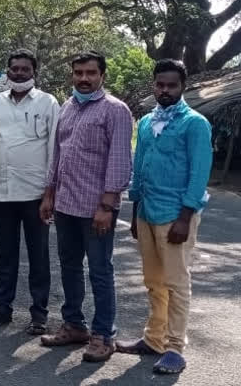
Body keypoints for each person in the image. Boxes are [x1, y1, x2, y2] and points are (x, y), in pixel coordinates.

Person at [117, 59, 212, 375]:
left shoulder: (195, 123)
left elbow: (199, 174)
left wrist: (185, 217)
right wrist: (135, 213)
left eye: (172, 85)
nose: (165, 90)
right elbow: (139, 168)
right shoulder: (145, 123)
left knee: (175, 283)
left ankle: (174, 348)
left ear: (182, 86)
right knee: (153, 282)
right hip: (147, 213)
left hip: (176, 215)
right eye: (160, 84)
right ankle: (154, 339)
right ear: (154, 84)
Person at [39, 51, 132, 362]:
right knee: (68, 266)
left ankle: (104, 334)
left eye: (90, 72)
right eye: (78, 72)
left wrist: (107, 206)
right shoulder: (67, 107)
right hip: (65, 204)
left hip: (96, 209)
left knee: (100, 271)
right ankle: (74, 325)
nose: (83, 78)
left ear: (102, 75)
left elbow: (120, 162)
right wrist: (49, 194)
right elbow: (57, 153)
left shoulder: (115, 110)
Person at [0, 49, 59, 335]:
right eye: (15, 69)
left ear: (34, 72)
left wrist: (50, 193)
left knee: (38, 256)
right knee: (5, 254)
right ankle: (2, 309)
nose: (20, 73)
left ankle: (39, 314)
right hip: (1, 191)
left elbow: (54, 150)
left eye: (25, 69)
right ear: (8, 71)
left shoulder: (48, 103)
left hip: (36, 193)